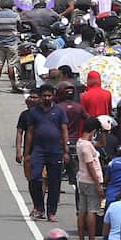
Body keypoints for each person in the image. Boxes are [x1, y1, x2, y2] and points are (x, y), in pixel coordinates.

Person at [22, 83, 69, 221]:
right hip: (39, 150)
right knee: (35, 177)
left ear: (53, 96)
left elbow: (64, 130)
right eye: (44, 96)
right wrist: (26, 153)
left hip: (55, 151)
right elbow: (29, 132)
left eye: (49, 95)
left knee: (54, 182)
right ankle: (39, 207)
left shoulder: (59, 111)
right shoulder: (34, 112)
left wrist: (66, 150)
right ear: (41, 97)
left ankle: (52, 212)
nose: (47, 98)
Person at [74, 122, 104, 240]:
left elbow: (101, 144)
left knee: (82, 211)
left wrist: (103, 132)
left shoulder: (81, 143)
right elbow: (90, 166)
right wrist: (98, 184)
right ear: (93, 131)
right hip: (90, 181)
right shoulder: (86, 147)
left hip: (82, 180)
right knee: (92, 211)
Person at [0, 0, 22, 93]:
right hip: (12, 43)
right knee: (11, 65)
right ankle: (14, 86)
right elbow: (19, 26)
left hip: (0, 43)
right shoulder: (15, 15)